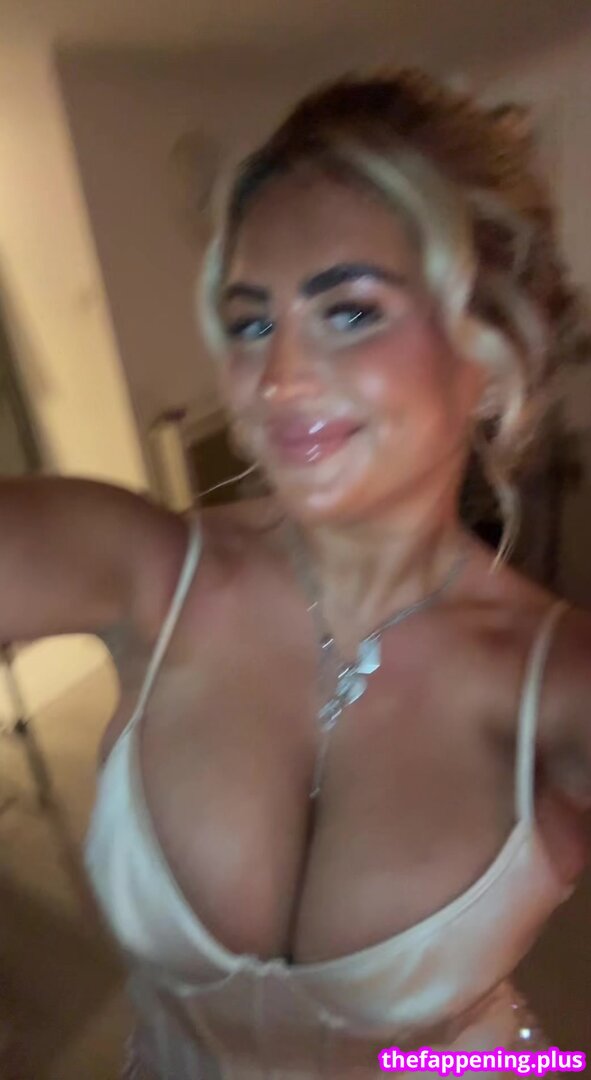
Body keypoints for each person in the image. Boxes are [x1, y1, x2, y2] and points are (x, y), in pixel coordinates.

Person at [3, 70, 591, 1079]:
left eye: (350, 312)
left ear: (489, 357)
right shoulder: (150, 569)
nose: (276, 380)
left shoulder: (561, 682)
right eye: (249, 321)